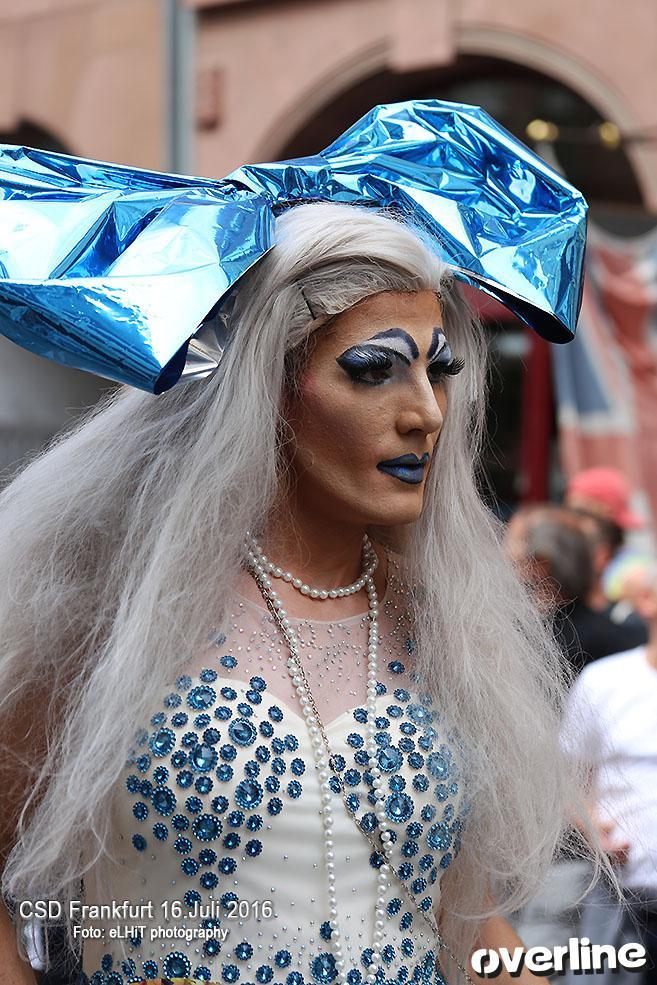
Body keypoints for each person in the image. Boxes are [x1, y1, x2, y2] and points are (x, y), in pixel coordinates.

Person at [0, 101, 605, 985]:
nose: (424, 412)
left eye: (437, 370)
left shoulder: (441, 623)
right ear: (268, 388)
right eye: (372, 368)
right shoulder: (110, 611)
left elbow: (464, 928)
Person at [563, 562, 657, 985]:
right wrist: (591, 828)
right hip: (620, 896)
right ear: (646, 602)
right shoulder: (604, 682)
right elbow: (566, 779)